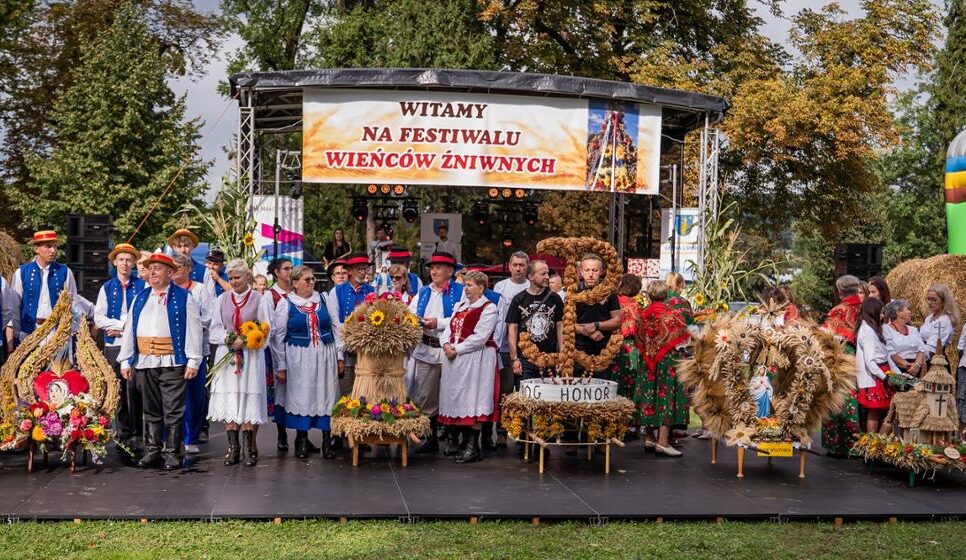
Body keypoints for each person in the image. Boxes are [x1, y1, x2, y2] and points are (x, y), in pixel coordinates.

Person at [117, 252, 203, 470]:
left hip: (172, 361)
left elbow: (194, 330)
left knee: (173, 409)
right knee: (151, 409)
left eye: (158, 268)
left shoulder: (184, 298)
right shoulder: (140, 297)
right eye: (150, 268)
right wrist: (126, 359)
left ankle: (172, 452)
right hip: (145, 361)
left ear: (170, 273)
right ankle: (153, 450)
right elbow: (130, 330)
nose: (153, 272)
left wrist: (193, 360)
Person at [271, 265, 342, 459]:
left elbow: (336, 328)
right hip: (298, 358)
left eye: (312, 279)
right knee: (302, 395)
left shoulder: (325, 299)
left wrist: (340, 356)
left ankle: (327, 440)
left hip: (324, 355)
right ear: (294, 283)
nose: (312, 283)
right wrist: (282, 366)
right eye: (307, 280)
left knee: (326, 394)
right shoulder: (286, 304)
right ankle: (302, 439)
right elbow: (278, 337)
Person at [208, 259, 273, 466]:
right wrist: (229, 339)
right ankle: (232, 449)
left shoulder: (259, 299)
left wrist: (248, 340)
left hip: (251, 356)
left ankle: (248, 449)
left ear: (248, 277)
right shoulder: (222, 299)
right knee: (231, 397)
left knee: (248, 395)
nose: (234, 281)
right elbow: (214, 330)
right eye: (231, 278)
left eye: (237, 277)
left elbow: (266, 328)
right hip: (227, 356)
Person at [438, 271, 501, 464]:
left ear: (481, 288)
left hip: (477, 360)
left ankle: (473, 447)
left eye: (470, 285)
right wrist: (446, 345)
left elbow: (480, 337)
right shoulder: (460, 305)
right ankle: (463, 442)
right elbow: (448, 329)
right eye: (465, 285)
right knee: (459, 398)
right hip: (456, 360)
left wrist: (456, 348)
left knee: (473, 398)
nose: (465, 288)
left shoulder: (489, 308)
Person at [410, 251, 464, 454]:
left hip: (449, 349)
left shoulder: (459, 291)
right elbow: (410, 312)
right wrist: (415, 320)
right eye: (432, 268)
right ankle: (430, 438)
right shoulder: (423, 292)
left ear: (450, 271)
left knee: (452, 393)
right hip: (425, 348)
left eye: (438, 267)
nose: (433, 271)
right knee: (426, 395)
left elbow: (462, 317)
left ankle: (454, 439)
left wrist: (437, 322)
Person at [93, 243, 146, 452]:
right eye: (121, 259)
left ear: (134, 263)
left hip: (136, 345)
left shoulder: (142, 286)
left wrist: (124, 329)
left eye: (129, 260)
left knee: (137, 388)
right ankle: (124, 431)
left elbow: (143, 315)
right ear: (115, 262)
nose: (125, 263)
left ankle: (138, 433)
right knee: (120, 390)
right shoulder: (107, 287)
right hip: (113, 345)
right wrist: (121, 326)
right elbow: (99, 317)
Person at [635, 280, 690, 457]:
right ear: (666, 294)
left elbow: (639, 337)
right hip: (668, 361)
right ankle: (663, 441)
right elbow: (684, 336)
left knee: (649, 394)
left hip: (647, 360)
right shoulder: (670, 314)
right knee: (666, 395)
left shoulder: (643, 314)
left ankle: (649, 437)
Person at [170, 254, 214, 455]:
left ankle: (191, 436)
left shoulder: (199, 289)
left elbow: (209, 316)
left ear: (188, 269)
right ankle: (170, 437)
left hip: (196, 348)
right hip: (172, 350)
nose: (176, 269)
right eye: (173, 266)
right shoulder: (167, 290)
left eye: (180, 266)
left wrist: (190, 322)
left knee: (194, 395)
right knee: (172, 396)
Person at [6, 231, 78, 347]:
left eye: (55, 247)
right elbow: (14, 306)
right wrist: (17, 334)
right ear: (36, 249)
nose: (53, 251)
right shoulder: (22, 273)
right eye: (48, 246)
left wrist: (70, 332)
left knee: (58, 365)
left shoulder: (65, 272)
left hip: (57, 333)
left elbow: (74, 304)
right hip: (30, 332)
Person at [820, 274, 863, 457]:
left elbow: (828, 333)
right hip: (862, 355)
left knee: (838, 396)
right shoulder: (864, 306)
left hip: (843, 355)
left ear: (840, 291)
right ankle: (858, 444)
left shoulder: (839, 310)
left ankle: (839, 445)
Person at [492, 251, 530, 446]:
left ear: (527, 267)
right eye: (515, 264)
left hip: (528, 349)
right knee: (505, 391)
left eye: (522, 265)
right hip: (505, 348)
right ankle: (501, 431)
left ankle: (524, 431)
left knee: (525, 390)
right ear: (510, 265)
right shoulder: (501, 287)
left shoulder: (532, 287)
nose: (518, 268)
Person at [505, 260, 564, 381]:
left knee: (548, 396)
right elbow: (512, 329)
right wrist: (514, 358)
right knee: (525, 396)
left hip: (549, 358)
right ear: (531, 276)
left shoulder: (555, 298)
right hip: (525, 359)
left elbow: (560, 327)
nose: (547, 277)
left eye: (547, 273)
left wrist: (562, 354)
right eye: (543, 274)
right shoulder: (519, 299)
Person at [329, 253, 376, 401]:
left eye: (365, 269)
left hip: (367, 354)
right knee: (346, 396)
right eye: (359, 269)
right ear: (350, 271)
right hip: (346, 353)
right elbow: (335, 325)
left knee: (366, 396)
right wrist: (340, 355)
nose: (363, 272)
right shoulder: (336, 292)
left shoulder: (373, 291)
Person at [574, 253, 622, 378]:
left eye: (594, 270)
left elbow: (617, 320)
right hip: (579, 349)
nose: (590, 274)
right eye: (587, 270)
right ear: (581, 271)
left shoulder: (609, 292)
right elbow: (566, 322)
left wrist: (596, 325)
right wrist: (587, 331)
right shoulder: (573, 292)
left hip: (604, 348)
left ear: (601, 271)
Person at [267, 257, 294, 451]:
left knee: (301, 392)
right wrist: (280, 362)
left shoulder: (297, 292)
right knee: (281, 394)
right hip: (280, 351)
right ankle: (281, 434)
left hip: (298, 351)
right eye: (285, 269)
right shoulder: (271, 296)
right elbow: (273, 332)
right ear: (276, 272)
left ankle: (303, 435)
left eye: (291, 268)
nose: (289, 272)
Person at [855, 297, 892, 434]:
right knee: (875, 410)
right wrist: (884, 377)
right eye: (881, 313)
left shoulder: (868, 328)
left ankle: (875, 444)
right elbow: (870, 360)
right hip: (876, 375)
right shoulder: (868, 331)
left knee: (877, 411)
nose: (882, 316)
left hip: (879, 373)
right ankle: (873, 445)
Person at [611, 274, 644, 400]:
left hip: (611, 344)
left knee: (613, 378)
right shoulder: (635, 306)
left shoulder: (613, 300)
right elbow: (638, 329)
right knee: (630, 380)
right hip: (629, 345)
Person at [883, 299, 926, 377]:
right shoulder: (886, 329)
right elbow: (891, 352)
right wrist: (908, 365)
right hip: (898, 369)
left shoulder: (913, 329)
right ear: (898, 313)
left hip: (917, 368)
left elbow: (921, 349)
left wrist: (917, 365)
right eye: (907, 309)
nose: (910, 312)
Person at [920, 284, 960, 364]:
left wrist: (917, 361)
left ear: (943, 302)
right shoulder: (929, 318)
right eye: (929, 299)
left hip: (935, 361)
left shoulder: (945, 320)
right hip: (922, 357)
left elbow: (933, 347)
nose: (930, 302)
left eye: (934, 300)